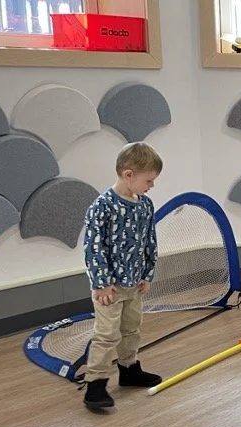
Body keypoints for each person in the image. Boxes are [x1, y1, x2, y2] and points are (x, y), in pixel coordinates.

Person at [80, 142, 164, 409]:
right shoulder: (102, 206)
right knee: (106, 335)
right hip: (110, 289)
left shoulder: (145, 205)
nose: (151, 186)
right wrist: (101, 283)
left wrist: (147, 274)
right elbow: (94, 248)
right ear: (129, 175)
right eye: (148, 180)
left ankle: (129, 370)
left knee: (131, 329)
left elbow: (149, 241)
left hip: (134, 284)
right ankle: (95, 386)